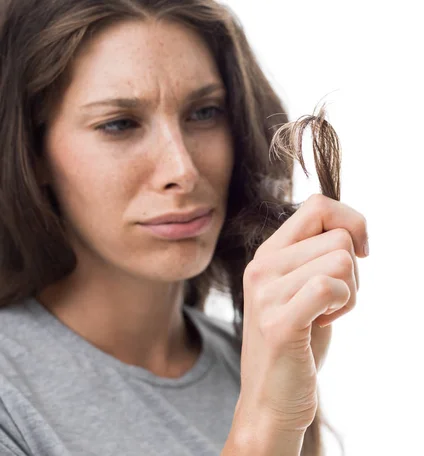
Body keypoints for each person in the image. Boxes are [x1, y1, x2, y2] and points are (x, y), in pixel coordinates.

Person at [0, 1, 369, 455]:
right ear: (33, 154)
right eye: (119, 124)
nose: (184, 168)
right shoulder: (10, 398)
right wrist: (268, 418)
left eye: (204, 113)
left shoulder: (253, 362)